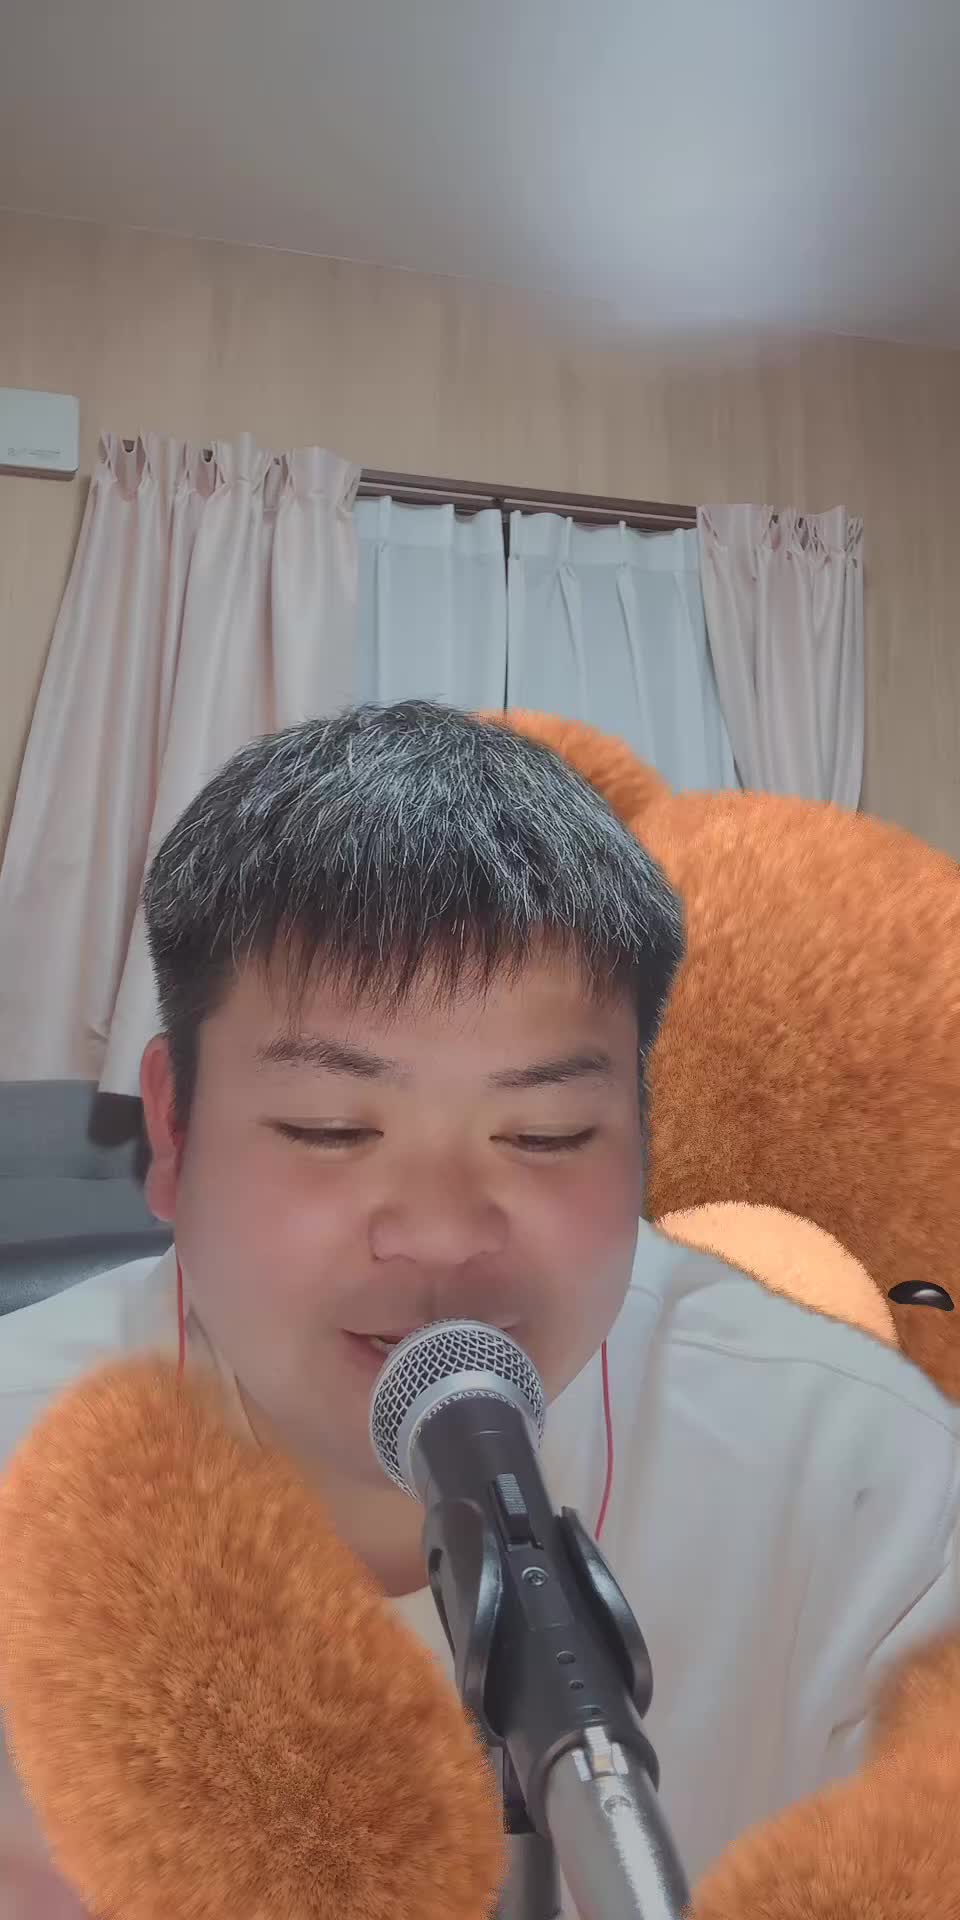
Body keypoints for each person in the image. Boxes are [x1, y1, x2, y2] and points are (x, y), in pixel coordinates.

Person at [2, 698, 959, 1919]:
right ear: (175, 1129)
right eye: (330, 1129)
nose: (445, 1233)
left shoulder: (866, 1486)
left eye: (545, 1134)